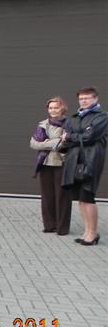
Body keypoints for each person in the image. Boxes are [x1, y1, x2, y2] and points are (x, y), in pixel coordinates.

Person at [60, 87, 107, 246]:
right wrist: (73, 137)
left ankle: (92, 234)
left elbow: (90, 137)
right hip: (74, 160)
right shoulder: (74, 118)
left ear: (96, 99)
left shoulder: (102, 117)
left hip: (91, 160)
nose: (84, 101)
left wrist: (70, 136)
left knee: (88, 196)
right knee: (80, 199)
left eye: (87, 98)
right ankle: (88, 231)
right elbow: (66, 138)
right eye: (81, 99)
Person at [29, 96, 70, 234]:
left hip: (62, 163)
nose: (52, 110)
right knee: (47, 196)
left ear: (62, 108)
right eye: (50, 108)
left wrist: (46, 143)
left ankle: (62, 228)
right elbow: (33, 144)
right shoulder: (42, 124)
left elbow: (66, 143)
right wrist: (54, 142)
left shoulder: (69, 124)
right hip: (45, 163)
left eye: (56, 107)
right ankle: (49, 225)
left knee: (62, 196)